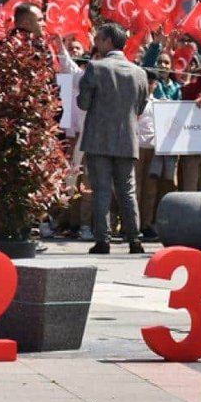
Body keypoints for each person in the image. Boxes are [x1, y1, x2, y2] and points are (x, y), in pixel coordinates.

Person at [76, 24, 150, 255]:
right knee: (127, 191)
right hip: (127, 139)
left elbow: (83, 103)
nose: (95, 42)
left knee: (101, 191)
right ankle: (135, 240)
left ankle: (103, 240)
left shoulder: (96, 67)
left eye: (98, 38)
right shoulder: (139, 72)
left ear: (109, 41)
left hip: (98, 139)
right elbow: (141, 107)